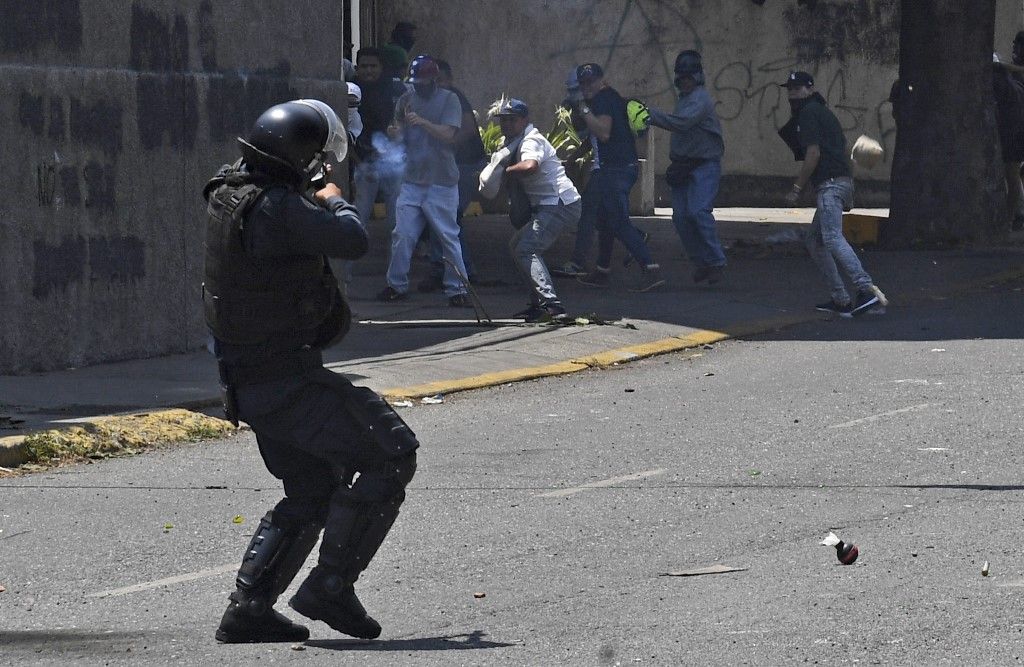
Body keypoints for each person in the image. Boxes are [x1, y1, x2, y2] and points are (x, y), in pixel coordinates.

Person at [205, 100, 419, 643]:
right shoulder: (278, 207)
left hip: (250, 380)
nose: (320, 169)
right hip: (286, 380)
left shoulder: (233, 194)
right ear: (296, 157)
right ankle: (331, 586)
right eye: (316, 159)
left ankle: (248, 608)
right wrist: (336, 200)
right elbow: (351, 240)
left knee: (311, 487)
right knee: (390, 453)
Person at [777, 71, 887, 317]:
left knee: (832, 238)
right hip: (840, 182)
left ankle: (865, 290)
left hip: (831, 184)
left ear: (810, 88)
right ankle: (840, 299)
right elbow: (841, 148)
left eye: (797, 88)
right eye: (789, 89)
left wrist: (796, 189)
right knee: (815, 241)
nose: (792, 93)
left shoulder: (808, 113)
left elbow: (813, 153)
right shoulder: (822, 111)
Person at [377, 55, 473, 307]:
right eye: (415, 81)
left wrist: (422, 123)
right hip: (412, 180)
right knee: (403, 234)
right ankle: (396, 285)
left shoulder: (450, 99)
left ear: (434, 79)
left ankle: (457, 288)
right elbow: (396, 130)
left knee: (447, 237)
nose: (418, 86)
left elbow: (449, 134)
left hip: (441, 181)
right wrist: (396, 132)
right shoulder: (406, 100)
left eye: (422, 81)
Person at [481, 98, 581, 321]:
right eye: (503, 120)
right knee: (516, 245)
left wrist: (505, 171)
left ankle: (553, 305)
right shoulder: (515, 142)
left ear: (524, 120)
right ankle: (538, 304)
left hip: (560, 204)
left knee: (526, 249)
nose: (506, 124)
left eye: (512, 120)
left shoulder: (530, 141)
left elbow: (530, 166)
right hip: (551, 204)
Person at [570, 63, 664, 292]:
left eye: (590, 82)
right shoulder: (610, 98)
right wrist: (574, 157)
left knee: (618, 222)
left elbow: (603, 132)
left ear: (602, 80)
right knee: (604, 220)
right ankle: (602, 270)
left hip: (614, 170)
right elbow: (599, 137)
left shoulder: (602, 99)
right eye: (583, 83)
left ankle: (650, 268)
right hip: (616, 168)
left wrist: (582, 108)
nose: (587, 87)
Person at [645, 50, 727, 284]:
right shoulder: (684, 98)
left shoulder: (700, 99)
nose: (685, 81)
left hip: (704, 165)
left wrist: (650, 115)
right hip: (683, 165)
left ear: (698, 77)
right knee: (680, 217)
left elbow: (681, 124)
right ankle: (702, 263)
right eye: (682, 78)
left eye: (689, 77)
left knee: (698, 212)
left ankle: (716, 261)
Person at [417, 59, 488, 292]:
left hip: (466, 166)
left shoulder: (453, 98)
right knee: (442, 218)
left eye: (439, 80)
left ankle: (460, 272)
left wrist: (445, 148)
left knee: (447, 218)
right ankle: (450, 270)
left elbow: (466, 130)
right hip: (450, 168)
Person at [351, 47, 408, 232]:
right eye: (364, 66)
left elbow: (411, 120)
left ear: (381, 67)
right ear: (356, 68)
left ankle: (398, 259)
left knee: (397, 219)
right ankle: (351, 258)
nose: (368, 70)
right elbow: (345, 132)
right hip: (364, 162)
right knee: (359, 216)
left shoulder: (395, 89)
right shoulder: (351, 91)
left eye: (373, 66)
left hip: (394, 163)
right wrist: (359, 163)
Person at [993, 34, 1024, 231]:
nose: (1014, 48)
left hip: (1015, 130)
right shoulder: (1011, 76)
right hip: (1014, 129)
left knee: (1012, 176)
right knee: (1013, 175)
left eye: (1018, 45)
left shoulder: (1011, 73)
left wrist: (999, 66)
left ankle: (1010, 218)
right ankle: (1012, 217)